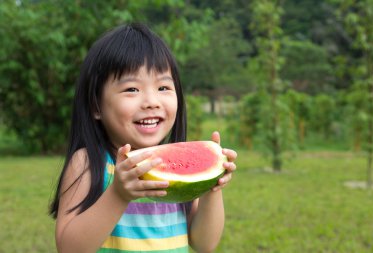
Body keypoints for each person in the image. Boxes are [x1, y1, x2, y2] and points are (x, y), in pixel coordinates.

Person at [49, 23, 237, 253]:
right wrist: (118, 195)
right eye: (132, 89)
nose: (151, 101)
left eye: (163, 87)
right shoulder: (88, 162)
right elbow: (69, 249)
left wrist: (212, 188)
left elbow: (204, 243)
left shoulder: (176, 171)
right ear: (96, 105)